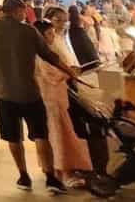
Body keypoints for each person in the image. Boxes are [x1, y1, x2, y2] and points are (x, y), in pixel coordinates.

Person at [0, 0, 72, 194]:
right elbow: (48, 56)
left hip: (3, 93)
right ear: (17, 11)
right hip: (29, 93)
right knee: (41, 135)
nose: (25, 15)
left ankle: (23, 176)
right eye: (24, 11)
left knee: (13, 138)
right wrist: (70, 71)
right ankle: (50, 178)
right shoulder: (28, 31)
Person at [33, 18, 97, 184]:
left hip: (60, 97)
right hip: (50, 100)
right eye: (48, 34)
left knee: (64, 133)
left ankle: (66, 169)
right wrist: (70, 72)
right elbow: (52, 75)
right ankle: (63, 172)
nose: (52, 36)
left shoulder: (51, 49)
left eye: (52, 33)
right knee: (57, 135)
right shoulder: (40, 54)